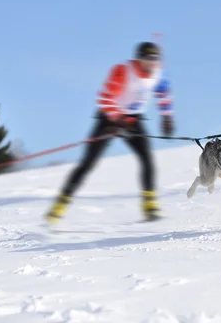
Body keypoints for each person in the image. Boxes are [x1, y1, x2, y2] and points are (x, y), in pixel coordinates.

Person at [44, 41, 174, 224]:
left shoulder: (159, 74)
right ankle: (59, 206)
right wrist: (116, 119)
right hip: (108, 119)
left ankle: (150, 205)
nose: (151, 62)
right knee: (88, 163)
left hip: (132, 121)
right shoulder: (123, 70)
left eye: (155, 58)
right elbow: (105, 97)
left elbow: (164, 94)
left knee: (147, 160)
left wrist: (167, 117)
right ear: (139, 59)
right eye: (147, 58)